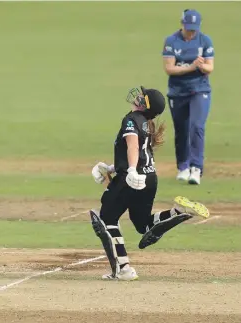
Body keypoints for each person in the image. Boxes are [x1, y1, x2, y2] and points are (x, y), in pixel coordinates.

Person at [89, 86, 210, 281]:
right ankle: (177, 212)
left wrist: (129, 171)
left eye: (142, 96)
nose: (138, 96)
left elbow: (133, 146)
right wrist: (111, 168)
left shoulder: (131, 120)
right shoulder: (145, 123)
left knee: (106, 218)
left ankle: (124, 269)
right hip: (150, 177)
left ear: (145, 105)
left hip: (132, 178)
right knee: (143, 225)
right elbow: (138, 153)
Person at [162, 9, 214, 185]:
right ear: (182, 24)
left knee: (197, 126)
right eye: (188, 28)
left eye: (194, 29)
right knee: (181, 130)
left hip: (200, 90)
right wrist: (191, 67)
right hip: (177, 91)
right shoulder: (172, 41)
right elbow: (169, 68)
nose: (191, 32)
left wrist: (201, 66)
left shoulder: (204, 41)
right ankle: (183, 167)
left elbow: (210, 68)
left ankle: (196, 168)